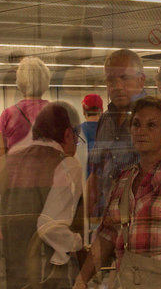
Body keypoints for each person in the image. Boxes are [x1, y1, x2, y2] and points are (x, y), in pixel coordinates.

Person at [74, 96, 161, 289]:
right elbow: (106, 236)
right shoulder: (123, 180)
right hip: (127, 280)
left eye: (152, 125)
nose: (141, 131)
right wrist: (81, 280)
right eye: (136, 124)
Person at [0, 101, 85, 289]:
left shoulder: (8, 161)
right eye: (77, 138)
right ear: (68, 134)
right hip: (49, 275)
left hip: (13, 273)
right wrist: (80, 245)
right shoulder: (67, 164)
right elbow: (50, 226)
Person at [86, 49, 146, 225]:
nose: (117, 86)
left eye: (124, 78)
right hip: (109, 223)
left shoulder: (153, 117)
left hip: (142, 223)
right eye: (111, 80)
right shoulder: (105, 120)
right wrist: (82, 221)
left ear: (141, 80)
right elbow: (96, 177)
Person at [0, 56, 51, 155]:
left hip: (15, 169)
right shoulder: (57, 112)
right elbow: (68, 152)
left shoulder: (8, 114)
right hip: (50, 169)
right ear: (45, 81)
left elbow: (1, 154)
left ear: (20, 82)